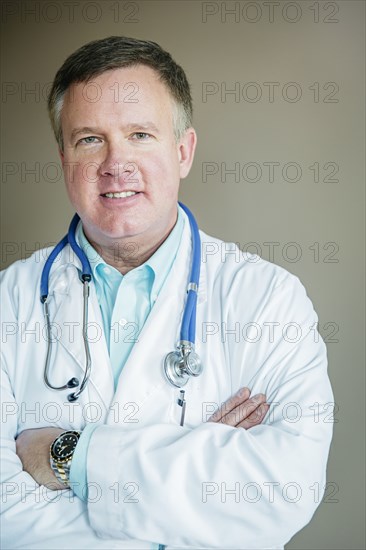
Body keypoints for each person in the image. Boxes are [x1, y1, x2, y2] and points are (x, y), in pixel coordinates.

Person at [1, 36, 334, 550]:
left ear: (183, 151)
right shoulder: (11, 298)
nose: (117, 163)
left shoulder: (269, 300)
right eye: (90, 139)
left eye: (139, 135)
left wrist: (71, 456)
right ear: (63, 157)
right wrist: (197, 464)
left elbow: (282, 489)